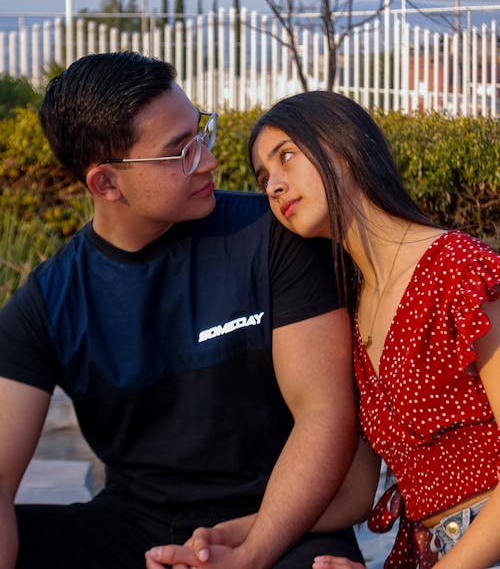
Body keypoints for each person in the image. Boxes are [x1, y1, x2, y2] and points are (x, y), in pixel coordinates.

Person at [0, 54, 374, 569]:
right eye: (179, 153)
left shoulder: (268, 237)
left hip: (282, 518)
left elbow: (324, 412)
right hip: (135, 527)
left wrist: (249, 552)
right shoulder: (48, 303)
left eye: (201, 133)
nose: (207, 161)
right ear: (106, 184)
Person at [248, 91, 500, 569]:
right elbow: (355, 496)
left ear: (345, 146)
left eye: (285, 157)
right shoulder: (354, 312)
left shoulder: (461, 271)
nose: (274, 186)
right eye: (264, 178)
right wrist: (238, 538)